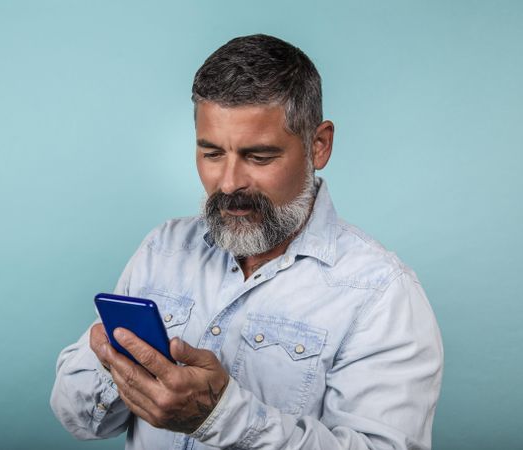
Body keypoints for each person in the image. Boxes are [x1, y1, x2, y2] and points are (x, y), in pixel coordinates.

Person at [50, 34, 443, 450]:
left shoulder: (381, 295)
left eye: (259, 157)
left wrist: (220, 417)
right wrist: (114, 364)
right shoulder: (163, 248)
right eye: (212, 153)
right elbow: (80, 420)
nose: (230, 182)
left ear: (319, 145)